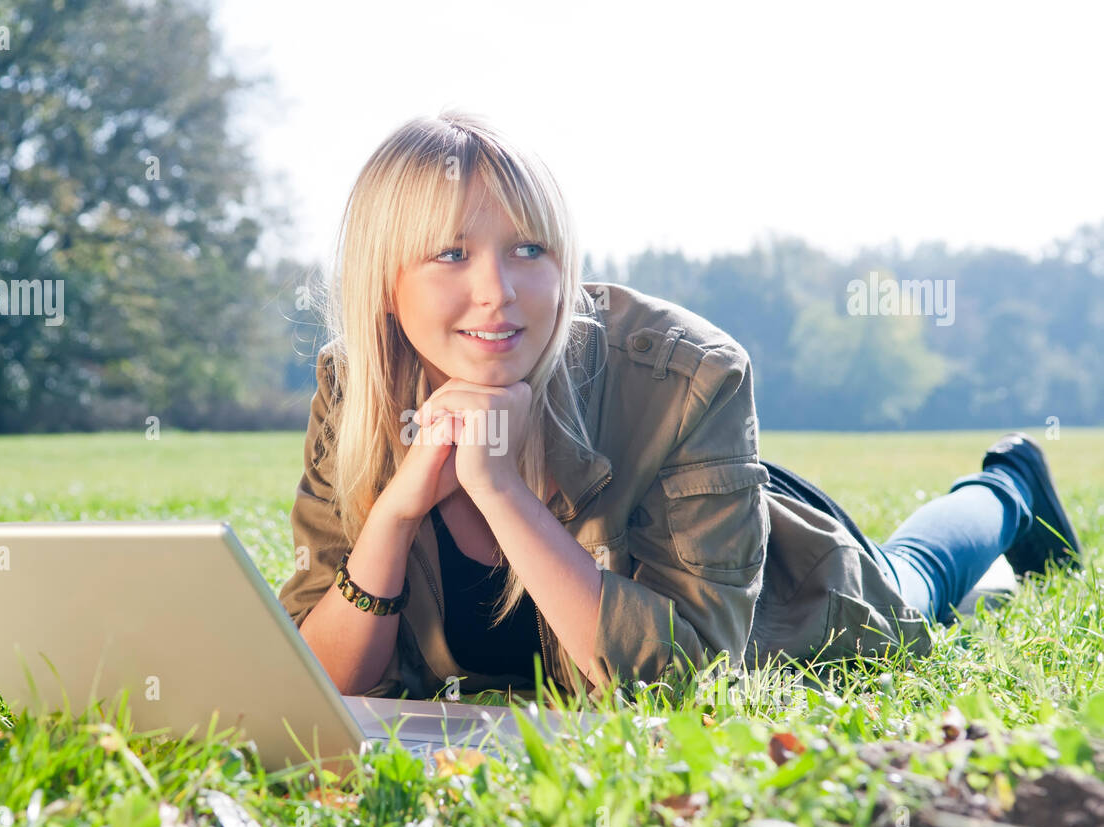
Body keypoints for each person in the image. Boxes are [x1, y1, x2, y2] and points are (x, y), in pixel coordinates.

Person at [276, 109, 1084, 704]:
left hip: (773, 579)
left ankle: (1010, 488)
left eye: (531, 249)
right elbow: (318, 684)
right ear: (387, 281)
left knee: (913, 586)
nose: (499, 293)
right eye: (451, 253)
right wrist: (394, 513)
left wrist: (498, 487)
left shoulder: (689, 372)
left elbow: (684, 685)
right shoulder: (358, 389)